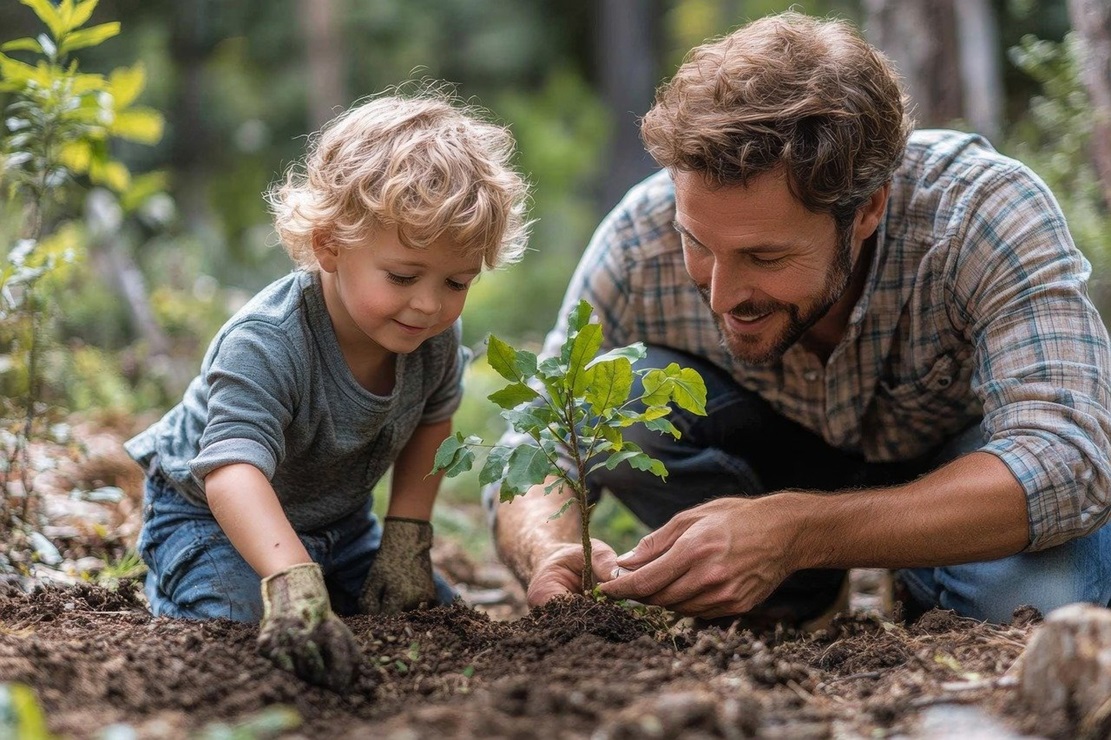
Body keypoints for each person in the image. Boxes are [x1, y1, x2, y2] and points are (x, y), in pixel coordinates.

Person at [486, 11, 1111, 628]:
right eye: (698, 244)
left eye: (766, 256)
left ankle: (921, 571)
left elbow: (1066, 459)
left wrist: (801, 531)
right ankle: (792, 597)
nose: (724, 294)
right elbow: (538, 438)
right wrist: (547, 552)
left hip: (956, 472)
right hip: (770, 458)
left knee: (1040, 602)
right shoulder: (636, 238)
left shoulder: (982, 213)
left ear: (866, 209)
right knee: (606, 390)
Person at [126, 88, 530, 690]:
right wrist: (290, 577)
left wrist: (405, 537)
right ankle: (178, 583)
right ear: (329, 246)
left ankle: (324, 578)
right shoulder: (267, 341)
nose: (429, 303)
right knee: (241, 632)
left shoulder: (434, 338)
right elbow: (230, 471)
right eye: (402, 276)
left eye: (457, 281)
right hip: (205, 517)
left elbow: (432, 423)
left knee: (432, 621)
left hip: (340, 526)